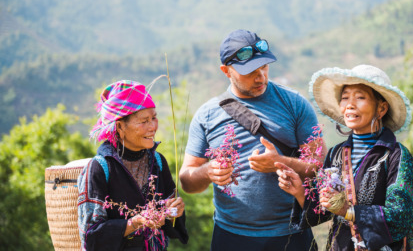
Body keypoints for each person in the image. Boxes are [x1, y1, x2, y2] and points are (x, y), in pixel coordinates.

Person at [179, 29, 326, 251]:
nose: (261, 77)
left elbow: (321, 168)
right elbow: (187, 181)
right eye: (249, 71)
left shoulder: (295, 104)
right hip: (231, 236)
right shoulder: (207, 115)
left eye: (264, 67)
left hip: (291, 234)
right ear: (226, 71)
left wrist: (279, 162)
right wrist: (208, 171)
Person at [276, 65, 413, 250]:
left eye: (360, 97)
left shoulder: (396, 156)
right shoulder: (336, 154)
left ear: (382, 108)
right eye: (345, 98)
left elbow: (401, 216)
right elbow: (325, 211)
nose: (350, 104)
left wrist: (349, 211)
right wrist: (299, 192)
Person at [78, 80, 189, 250]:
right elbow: (91, 237)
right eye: (144, 121)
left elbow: (172, 227)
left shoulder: (158, 162)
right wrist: (134, 223)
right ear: (120, 126)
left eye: (154, 117)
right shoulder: (100, 168)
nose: (153, 127)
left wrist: (175, 212)